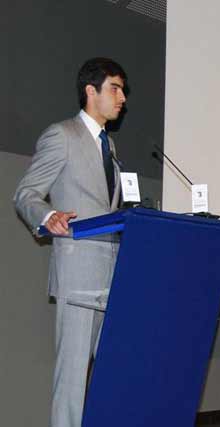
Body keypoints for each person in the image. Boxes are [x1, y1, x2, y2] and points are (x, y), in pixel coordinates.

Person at [14, 57, 127, 427]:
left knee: (112, 375)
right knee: (73, 377)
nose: (122, 97)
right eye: (115, 87)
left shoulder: (110, 148)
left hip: (110, 275)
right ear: (90, 91)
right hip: (79, 275)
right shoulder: (62, 135)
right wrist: (48, 217)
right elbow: (27, 193)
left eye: (123, 89)